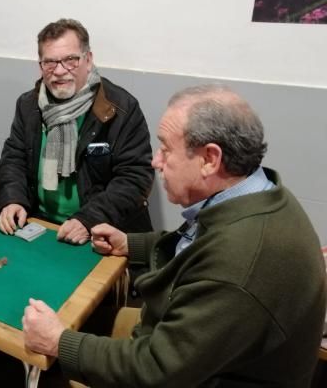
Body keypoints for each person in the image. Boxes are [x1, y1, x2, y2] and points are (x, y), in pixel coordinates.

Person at [22, 85, 327, 387]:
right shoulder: (258, 193)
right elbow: (198, 246)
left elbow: (155, 371)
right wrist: (132, 244)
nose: (156, 162)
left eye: (166, 149)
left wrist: (58, 343)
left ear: (210, 159)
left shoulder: (238, 262)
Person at [0, 18, 154, 244]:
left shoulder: (120, 108)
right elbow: (14, 159)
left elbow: (135, 178)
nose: (59, 71)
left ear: (88, 60)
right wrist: (12, 200)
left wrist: (87, 219)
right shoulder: (28, 105)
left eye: (70, 60)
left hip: (101, 232)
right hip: (41, 226)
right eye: (49, 62)